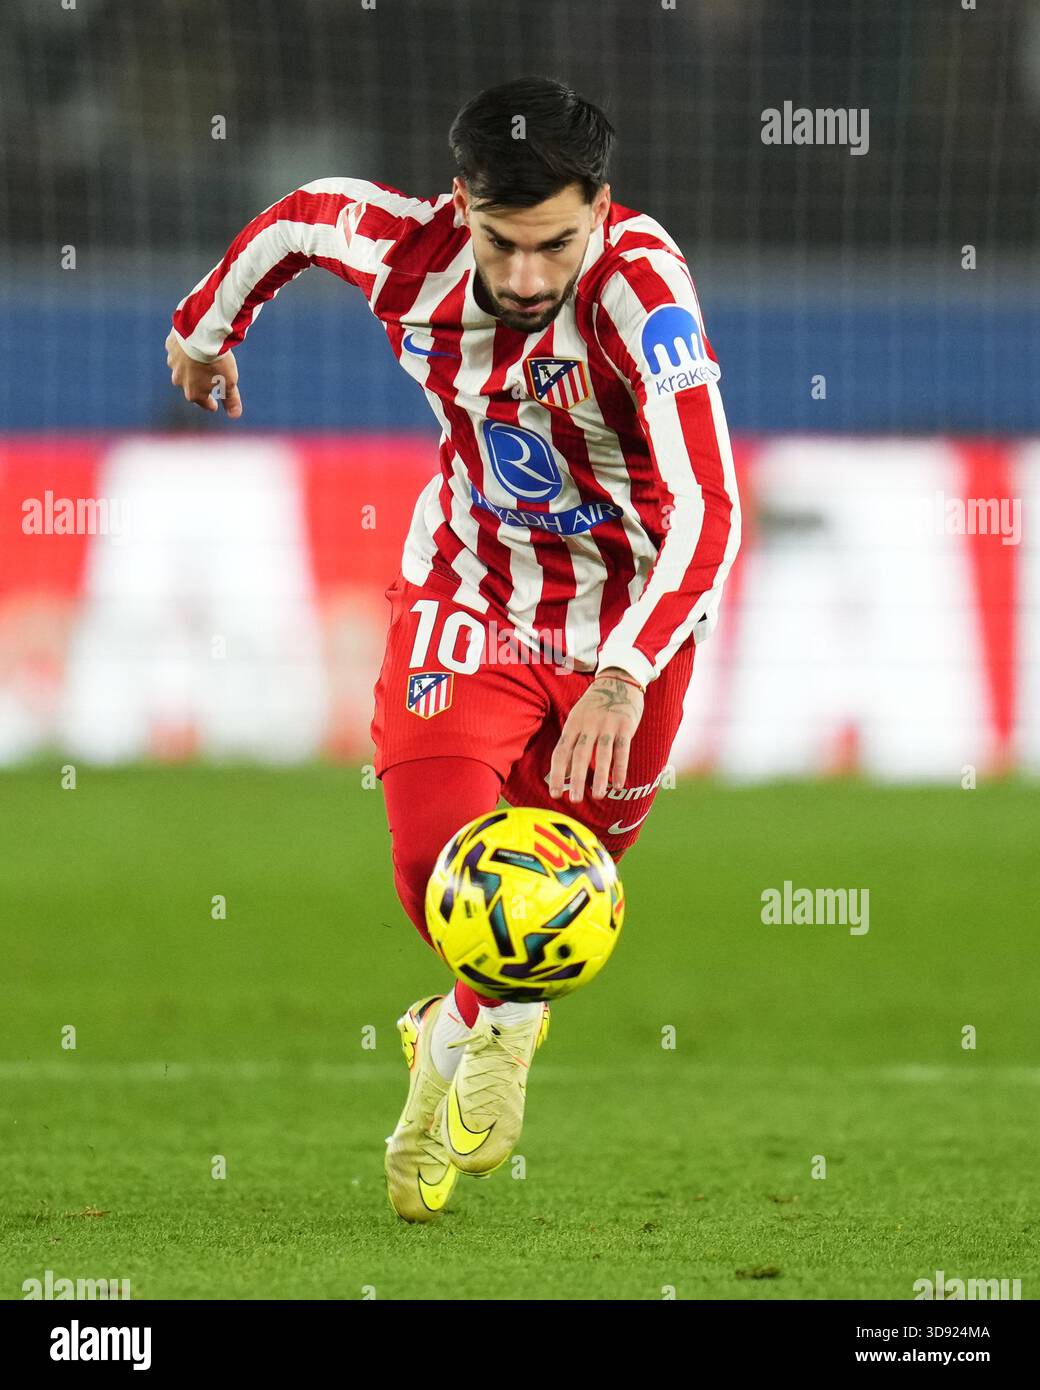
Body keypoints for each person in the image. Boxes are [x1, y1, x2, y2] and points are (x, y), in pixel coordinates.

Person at [166, 76, 740, 1223]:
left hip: (622, 633)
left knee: (562, 905)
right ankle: (501, 1017)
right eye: (499, 240)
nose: (526, 276)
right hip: (467, 599)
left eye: (555, 244)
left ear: (602, 208)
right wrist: (202, 329)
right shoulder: (406, 254)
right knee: (446, 875)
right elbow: (299, 216)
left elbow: (710, 504)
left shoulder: (642, 295)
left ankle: (459, 1031)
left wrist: (623, 672)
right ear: (459, 201)